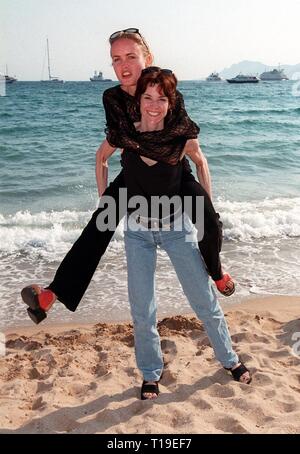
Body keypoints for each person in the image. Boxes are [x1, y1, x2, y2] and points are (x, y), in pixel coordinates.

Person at [21, 28, 234, 325]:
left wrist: (206, 201)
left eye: (131, 57)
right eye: (116, 59)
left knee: (210, 221)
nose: (124, 65)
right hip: (134, 174)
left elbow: (185, 147)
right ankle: (51, 294)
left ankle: (217, 272)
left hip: (175, 174)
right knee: (99, 224)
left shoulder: (170, 95)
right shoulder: (112, 98)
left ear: (147, 58)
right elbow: (115, 145)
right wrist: (105, 199)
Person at [114, 67, 251, 399]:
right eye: (147, 97)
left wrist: (207, 207)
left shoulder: (180, 135)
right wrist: (106, 204)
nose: (154, 105)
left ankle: (230, 360)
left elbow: (202, 163)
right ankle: (150, 374)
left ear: (170, 101)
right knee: (142, 309)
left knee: (204, 300)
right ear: (138, 99)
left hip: (177, 229)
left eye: (161, 98)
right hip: (137, 233)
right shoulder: (125, 135)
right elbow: (101, 159)